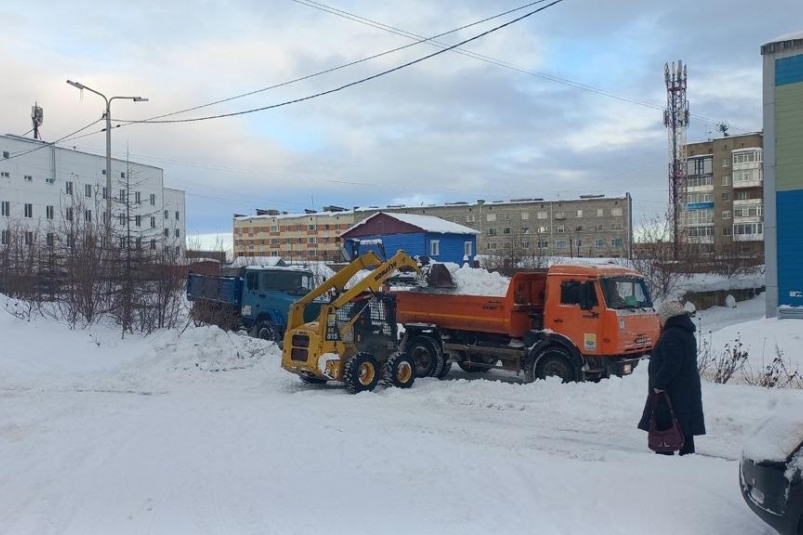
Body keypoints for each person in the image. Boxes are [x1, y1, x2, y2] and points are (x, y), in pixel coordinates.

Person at [638, 300, 705, 455]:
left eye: (660, 316)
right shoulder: (685, 332)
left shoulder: (672, 334)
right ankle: (687, 458)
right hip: (685, 389)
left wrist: (659, 383)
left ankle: (665, 455)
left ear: (667, 316)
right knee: (684, 426)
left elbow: (671, 364)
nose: (659, 320)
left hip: (674, 391)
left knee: (668, 424)